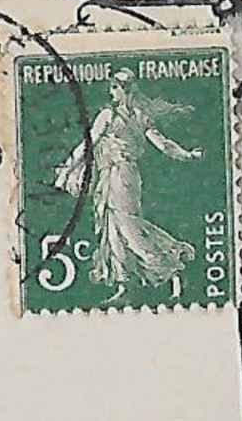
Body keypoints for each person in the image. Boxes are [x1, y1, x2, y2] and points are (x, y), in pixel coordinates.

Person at [55, 68, 204, 303]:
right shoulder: (138, 115)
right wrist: (188, 155)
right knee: (112, 226)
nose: (112, 92)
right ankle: (124, 285)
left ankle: (168, 266)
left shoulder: (110, 115)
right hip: (116, 174)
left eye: (115, 88)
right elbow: (163, 145)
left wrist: (68, 168)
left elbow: (88, 144)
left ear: (123, 90)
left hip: (121, 175)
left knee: (126, 226)